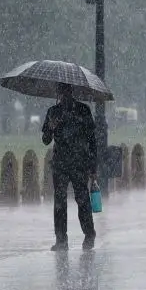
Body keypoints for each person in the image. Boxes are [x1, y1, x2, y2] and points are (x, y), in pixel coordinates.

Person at [41, 83, 98, 251]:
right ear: (59, 93)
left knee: (82, 200)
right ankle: (61, 240)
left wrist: (93, 167)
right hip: (60, 164)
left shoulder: (83, 110)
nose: (64, 95)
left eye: (66, 91)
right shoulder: (53, 112)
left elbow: (92, 141)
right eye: (61, 91)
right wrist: (50, 128)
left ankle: (89, 234)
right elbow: (45, 140)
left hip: (79, 163)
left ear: (71, 91)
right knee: (60, 202)